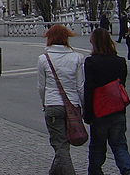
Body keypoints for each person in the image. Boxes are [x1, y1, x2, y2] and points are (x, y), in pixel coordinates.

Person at [84, 27, 130, 175]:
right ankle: (129, 170)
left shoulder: (91, 62)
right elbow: (121, 86)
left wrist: (87, 114)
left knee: (97, 146)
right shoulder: (120, 62)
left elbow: (89, 89)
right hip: (117, 109)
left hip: (99, 110)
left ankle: (95, 171)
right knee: (120, 145)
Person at [37, 24, 84, 175]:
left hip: (52, 104)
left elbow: (41, 86)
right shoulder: (77, 57)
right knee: (64, 143)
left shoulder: (44, 59)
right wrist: (82, 106)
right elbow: (80, 86)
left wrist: (45, 103)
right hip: (73, 104)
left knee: (60, 144)